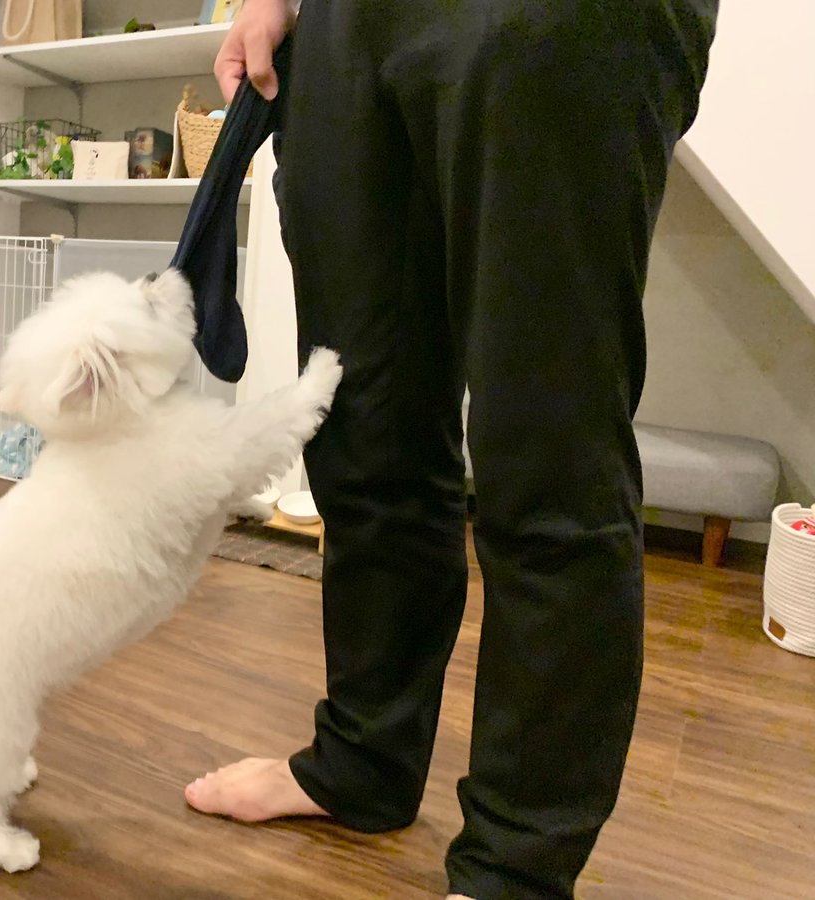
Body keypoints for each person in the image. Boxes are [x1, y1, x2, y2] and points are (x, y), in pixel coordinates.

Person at [183, 1, 719, 896]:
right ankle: (361, 760)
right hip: (347, 22)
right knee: (362, 431)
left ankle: (515, 867)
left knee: (545, 457)